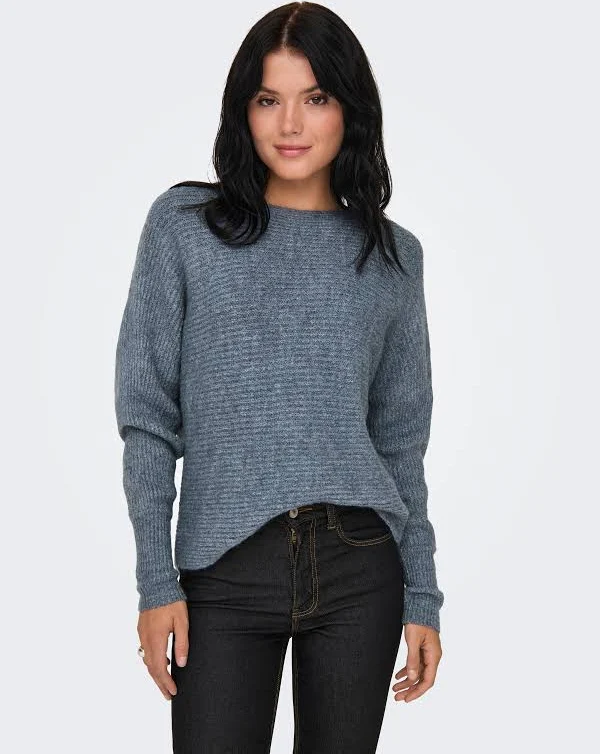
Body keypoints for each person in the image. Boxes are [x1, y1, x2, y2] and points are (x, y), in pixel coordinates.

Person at [114, 2, 444, 751]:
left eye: (315, 97)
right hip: (223, 571)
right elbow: (147, 418)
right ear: (244, 110)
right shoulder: (184, 228)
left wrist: (421, 594)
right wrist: (156, 582)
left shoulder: (393, 258)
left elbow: (401, 442)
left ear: (349, 108)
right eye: (269, 99)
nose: (290, 124)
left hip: (361, 567)